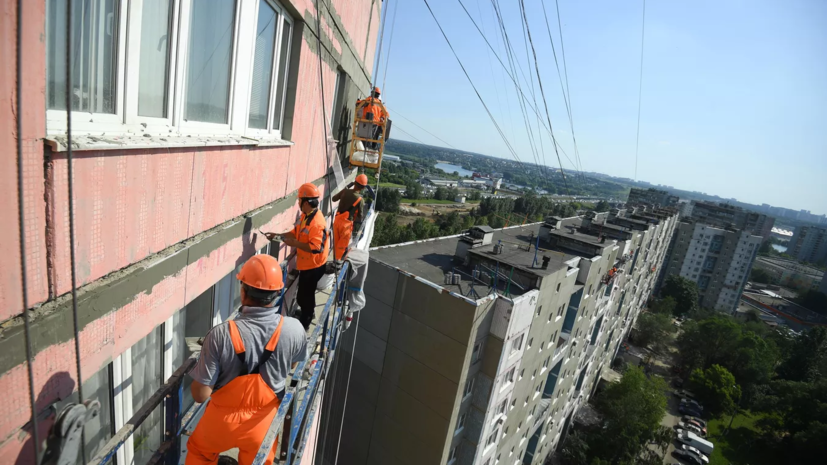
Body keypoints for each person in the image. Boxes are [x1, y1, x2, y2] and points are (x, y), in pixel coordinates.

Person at [186, 254, 308, 465]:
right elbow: (293, 365)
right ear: (278, 293)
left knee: (200, 453)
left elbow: (200, 395)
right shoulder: (294, 329)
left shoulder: (220, 335)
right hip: (264, 421)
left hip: (221, 423)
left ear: (243, 293)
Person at [267, 183, 329, 329]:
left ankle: (304, 324)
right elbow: (296, 232)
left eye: (299, 200)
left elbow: (316, 248)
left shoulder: (316, 223)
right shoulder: (306, 215)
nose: (298, 203)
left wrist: (294, 243)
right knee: (306, 295)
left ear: (306, 202)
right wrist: (279, 235)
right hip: (308, 264)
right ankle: (308, 312)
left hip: (314, 266)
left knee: (304, 296)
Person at [331, 174, 375, 260]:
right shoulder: (360, 199)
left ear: (354, 182)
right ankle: (336, 265)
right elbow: (360, 216)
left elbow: (334, 199)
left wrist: (346, 188)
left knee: (336, 244)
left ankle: (334, 261)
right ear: (363, 188)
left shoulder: (344, 191)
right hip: (346, 225)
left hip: (336, 221)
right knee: (341, 247)